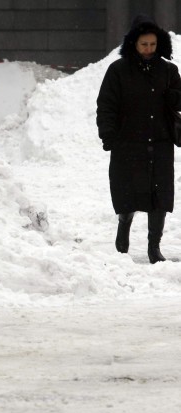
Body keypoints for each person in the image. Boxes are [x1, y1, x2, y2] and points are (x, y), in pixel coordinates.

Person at [96, 15, 181, 264]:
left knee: (160, 196)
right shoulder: (118, 70)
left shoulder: (168, 70)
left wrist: (173, 94)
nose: (148, 49)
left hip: (160, 142)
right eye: (144, 44)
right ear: (134, 43)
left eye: (153, 45)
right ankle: (124, 227)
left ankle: (154, 248)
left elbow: (178, 101)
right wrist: (108, 133)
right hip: (128, 143)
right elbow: (106, 105)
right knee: (128, 192)